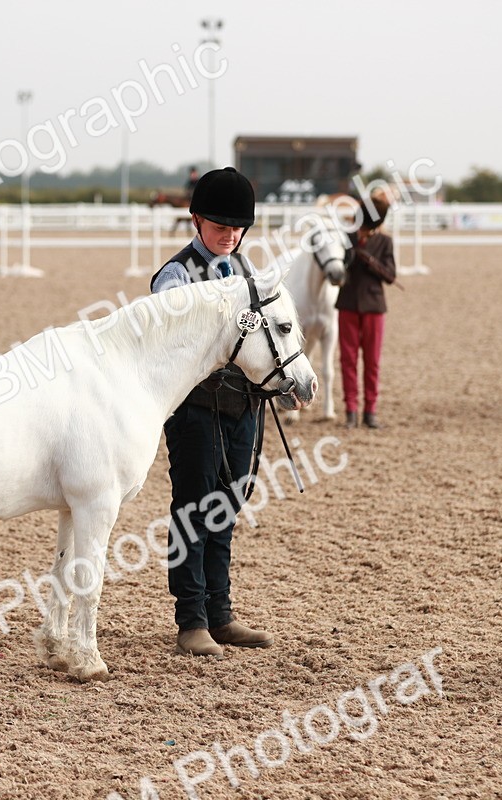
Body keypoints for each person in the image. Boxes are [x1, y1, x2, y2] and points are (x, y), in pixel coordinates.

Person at [150, 166, 274, 658]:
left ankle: (220, 614)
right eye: (221, 226)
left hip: (242, 406)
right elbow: (175, 344)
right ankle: (191, 619)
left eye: (238, 228)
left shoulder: (245, 269)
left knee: (227, 507)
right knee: (193, 509)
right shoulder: (175, 276)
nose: (230, 236)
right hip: (195, 410)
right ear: (196, 220)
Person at [336, 194, 396, 429]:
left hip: (373, 307)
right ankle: (351, 410)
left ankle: (370, 411)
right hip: (348, 304)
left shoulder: (385, 242)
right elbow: (337, 267)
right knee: (347, 360)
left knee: (372, 362)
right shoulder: (347, 238)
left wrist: (370, 260)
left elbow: (390, 276)